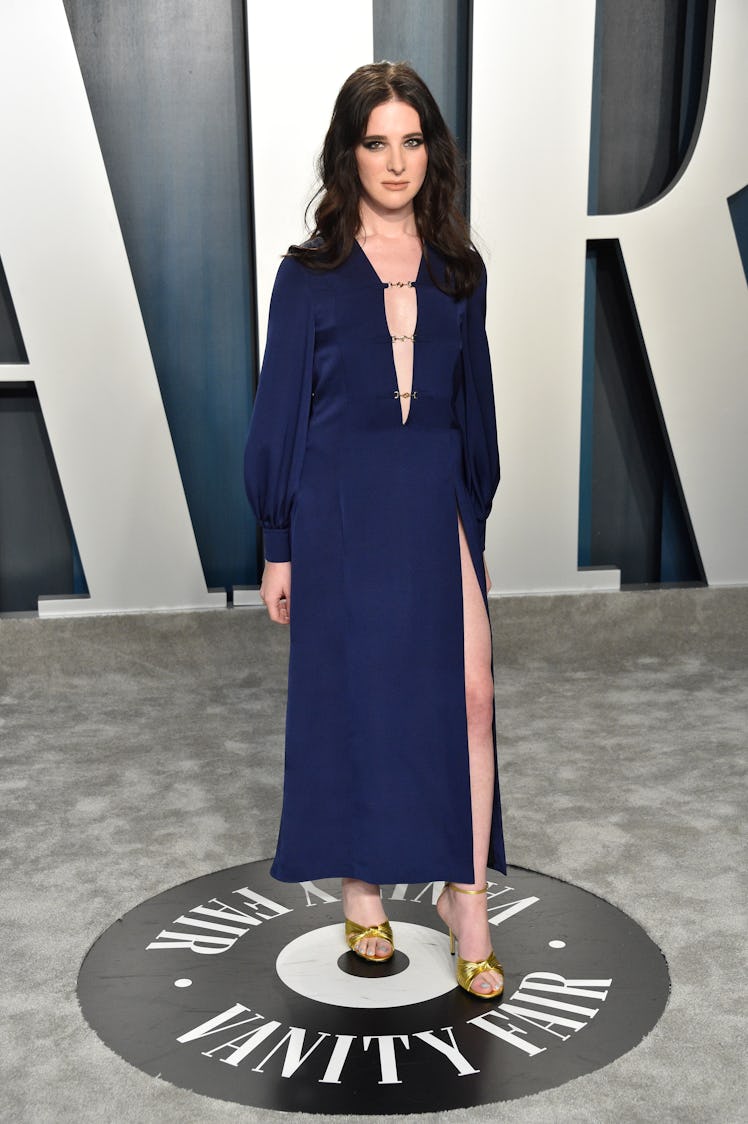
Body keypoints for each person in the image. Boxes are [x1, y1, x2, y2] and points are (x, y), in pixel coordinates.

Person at [244, 62, 505, 998]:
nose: (397, 162)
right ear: (348, 154)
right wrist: (277, 542)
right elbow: (280, 413)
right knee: (353, 699)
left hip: (436, 503)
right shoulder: (308, 277)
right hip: (339, 508)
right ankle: (362, 893)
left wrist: (472, 522)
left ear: (432, 152)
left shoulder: (458, 272)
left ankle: (463, 897)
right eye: (376, 142)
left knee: (470, 694)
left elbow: (474, 409)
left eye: (412, 140)